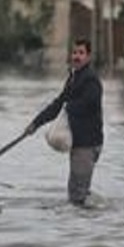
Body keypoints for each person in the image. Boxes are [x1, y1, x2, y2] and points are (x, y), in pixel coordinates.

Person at [26, 38, 103, 206]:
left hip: (88, 144)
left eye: (81, 53)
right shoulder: (74, 78)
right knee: (76, 192)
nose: (76, 56)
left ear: (88, 57)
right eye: (74, 52)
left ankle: (85, 227)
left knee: (77, 196)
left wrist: (68, 108)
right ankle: (83, 224)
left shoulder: (90, 79)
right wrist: (35, 124)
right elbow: (58, 104)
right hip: (79, 143)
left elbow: (91, 102)